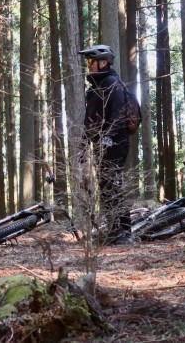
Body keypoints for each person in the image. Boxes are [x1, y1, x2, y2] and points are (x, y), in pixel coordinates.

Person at [78, 45, 133, 245]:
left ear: (103, 62)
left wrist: (108, 136)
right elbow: (89, 120)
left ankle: (125, 232)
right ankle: (113, 229)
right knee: (105, 187)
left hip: (116, 143)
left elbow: (119, 114)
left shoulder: (112, 83)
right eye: (88, 61)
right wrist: (84, 145)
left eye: (91, 61)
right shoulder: (95, 88)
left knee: (114, 185)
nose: (89, 65)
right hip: (101, 145)